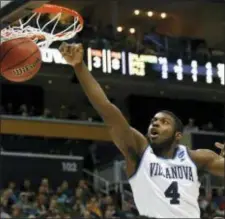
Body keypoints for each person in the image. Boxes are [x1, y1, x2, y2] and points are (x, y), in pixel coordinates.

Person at [59, 43, 224, 219]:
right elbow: (106, 108)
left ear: (178, 136)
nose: (155, 124)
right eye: (153, 121)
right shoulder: (139, 151)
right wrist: (79, 66)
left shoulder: (196, 158)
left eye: (164, 122)